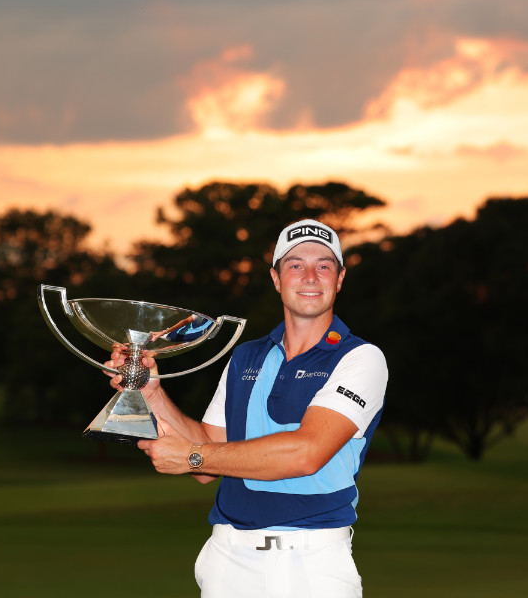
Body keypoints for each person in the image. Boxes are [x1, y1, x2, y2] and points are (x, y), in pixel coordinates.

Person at [105, 219, 387, 598]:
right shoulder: (246, 357)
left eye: (324, 266)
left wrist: (191, 456)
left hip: (313, 562)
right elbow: (208, 452)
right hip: (228, 559)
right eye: (295, 265)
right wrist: (151, 392)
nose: (310, 276)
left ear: (339, 279)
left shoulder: (361, 358)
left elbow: (307, 453)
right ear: (275, 278)